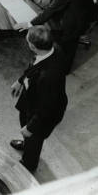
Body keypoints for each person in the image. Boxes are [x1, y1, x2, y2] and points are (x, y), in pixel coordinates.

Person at [16, 0, 94, 73]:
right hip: (85, 6)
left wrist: (29, 24)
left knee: (68, 45)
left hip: (75, 21)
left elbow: (51, 10)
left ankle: (65, 69)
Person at [10, 25, 68, 172]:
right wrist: (21, 80)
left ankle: (29, 163)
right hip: (32, 100)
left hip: (42, 114)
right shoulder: (52, 49)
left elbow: (46, 109)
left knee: (34, 139)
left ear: (34, 47)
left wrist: (31, 128)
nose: (27, 43)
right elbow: (34, 64)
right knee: (26, 129)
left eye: (28, 41)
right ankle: (27, 144)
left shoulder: (48, 77)